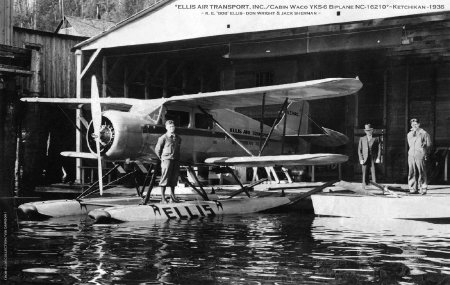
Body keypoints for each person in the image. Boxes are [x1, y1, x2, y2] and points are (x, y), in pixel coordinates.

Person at [155, 120, 182, 203]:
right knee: (165, 178)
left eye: (173, 126)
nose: (172, 128)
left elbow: (178, 147)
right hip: (167, 160)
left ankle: (172, 196)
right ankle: (163, 198)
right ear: (166, 128)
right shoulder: (163, 138)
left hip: (175, 160)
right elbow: (157, 149)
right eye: (170, 127)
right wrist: (163, 158)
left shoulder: (178, 138)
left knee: (174, 178)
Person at [407, 118, 431, 195]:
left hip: (420, 154)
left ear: (419, 124)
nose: (414, 125)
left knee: (421, 171)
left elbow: (429, 145)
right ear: (411, 125)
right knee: (411, 171)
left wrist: (424, 152)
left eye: (416, 124)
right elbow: (409, 144)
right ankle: (412, 188)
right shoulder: (409, 134)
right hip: (411, 154)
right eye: (412, 124)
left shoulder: (424, 133)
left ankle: (423, 188)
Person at [358, 123, 381, 188]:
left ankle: (375, 185)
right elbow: (359, 150)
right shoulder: (362, 139)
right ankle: (364, 186)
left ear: (372, 130)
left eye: (369, 130)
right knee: (365, 172)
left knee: (374, 171)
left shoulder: (376, 138)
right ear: (365, 131)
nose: (368, 132)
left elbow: (379, 149)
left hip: (373, 158)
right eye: (367, 131)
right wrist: (361, 159)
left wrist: (378, 158)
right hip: (365, 158)